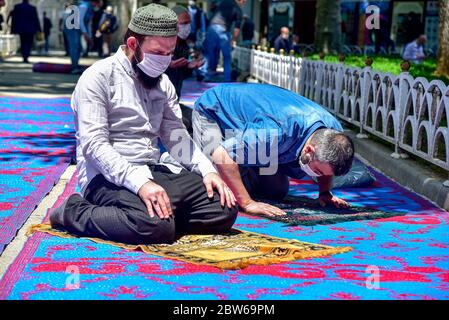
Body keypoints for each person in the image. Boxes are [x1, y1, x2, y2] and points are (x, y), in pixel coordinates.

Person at [49, 4, 238, 245]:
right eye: (158, 52)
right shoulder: (97, 78)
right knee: (155, 227)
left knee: (224, 208)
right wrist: (140, 184)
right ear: (132, 44)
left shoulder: (164, 84)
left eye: (170, 53)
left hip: (152, 170)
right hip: (106, 177)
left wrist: (208, 170)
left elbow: (176, 137)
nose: (165, 60)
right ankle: (74, 211)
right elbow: (95, 146)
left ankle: (149, 216)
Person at [192, 84, 355, 218]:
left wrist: (325, 192)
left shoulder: (333, 134)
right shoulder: (276, 132)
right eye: (317, 171)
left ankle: (245, 159)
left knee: (275, 191)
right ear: (309, 150)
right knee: (218, 189)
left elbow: (327, 165)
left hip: (259, 132)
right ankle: (199, 147)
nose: (319, 176)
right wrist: (247, 203)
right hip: (214, 111)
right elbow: (222, 155)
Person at [205, 0, 245, 82]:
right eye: (244, 1)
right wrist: (233, 40)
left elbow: (212, 7)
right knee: (227, 57)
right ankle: (227, 79)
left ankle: (207, 76)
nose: (244, 4)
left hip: (212, 27)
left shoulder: (224, 2)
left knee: (210, 54)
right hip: (223, 29)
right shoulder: (238, 9)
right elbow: (237, 29)